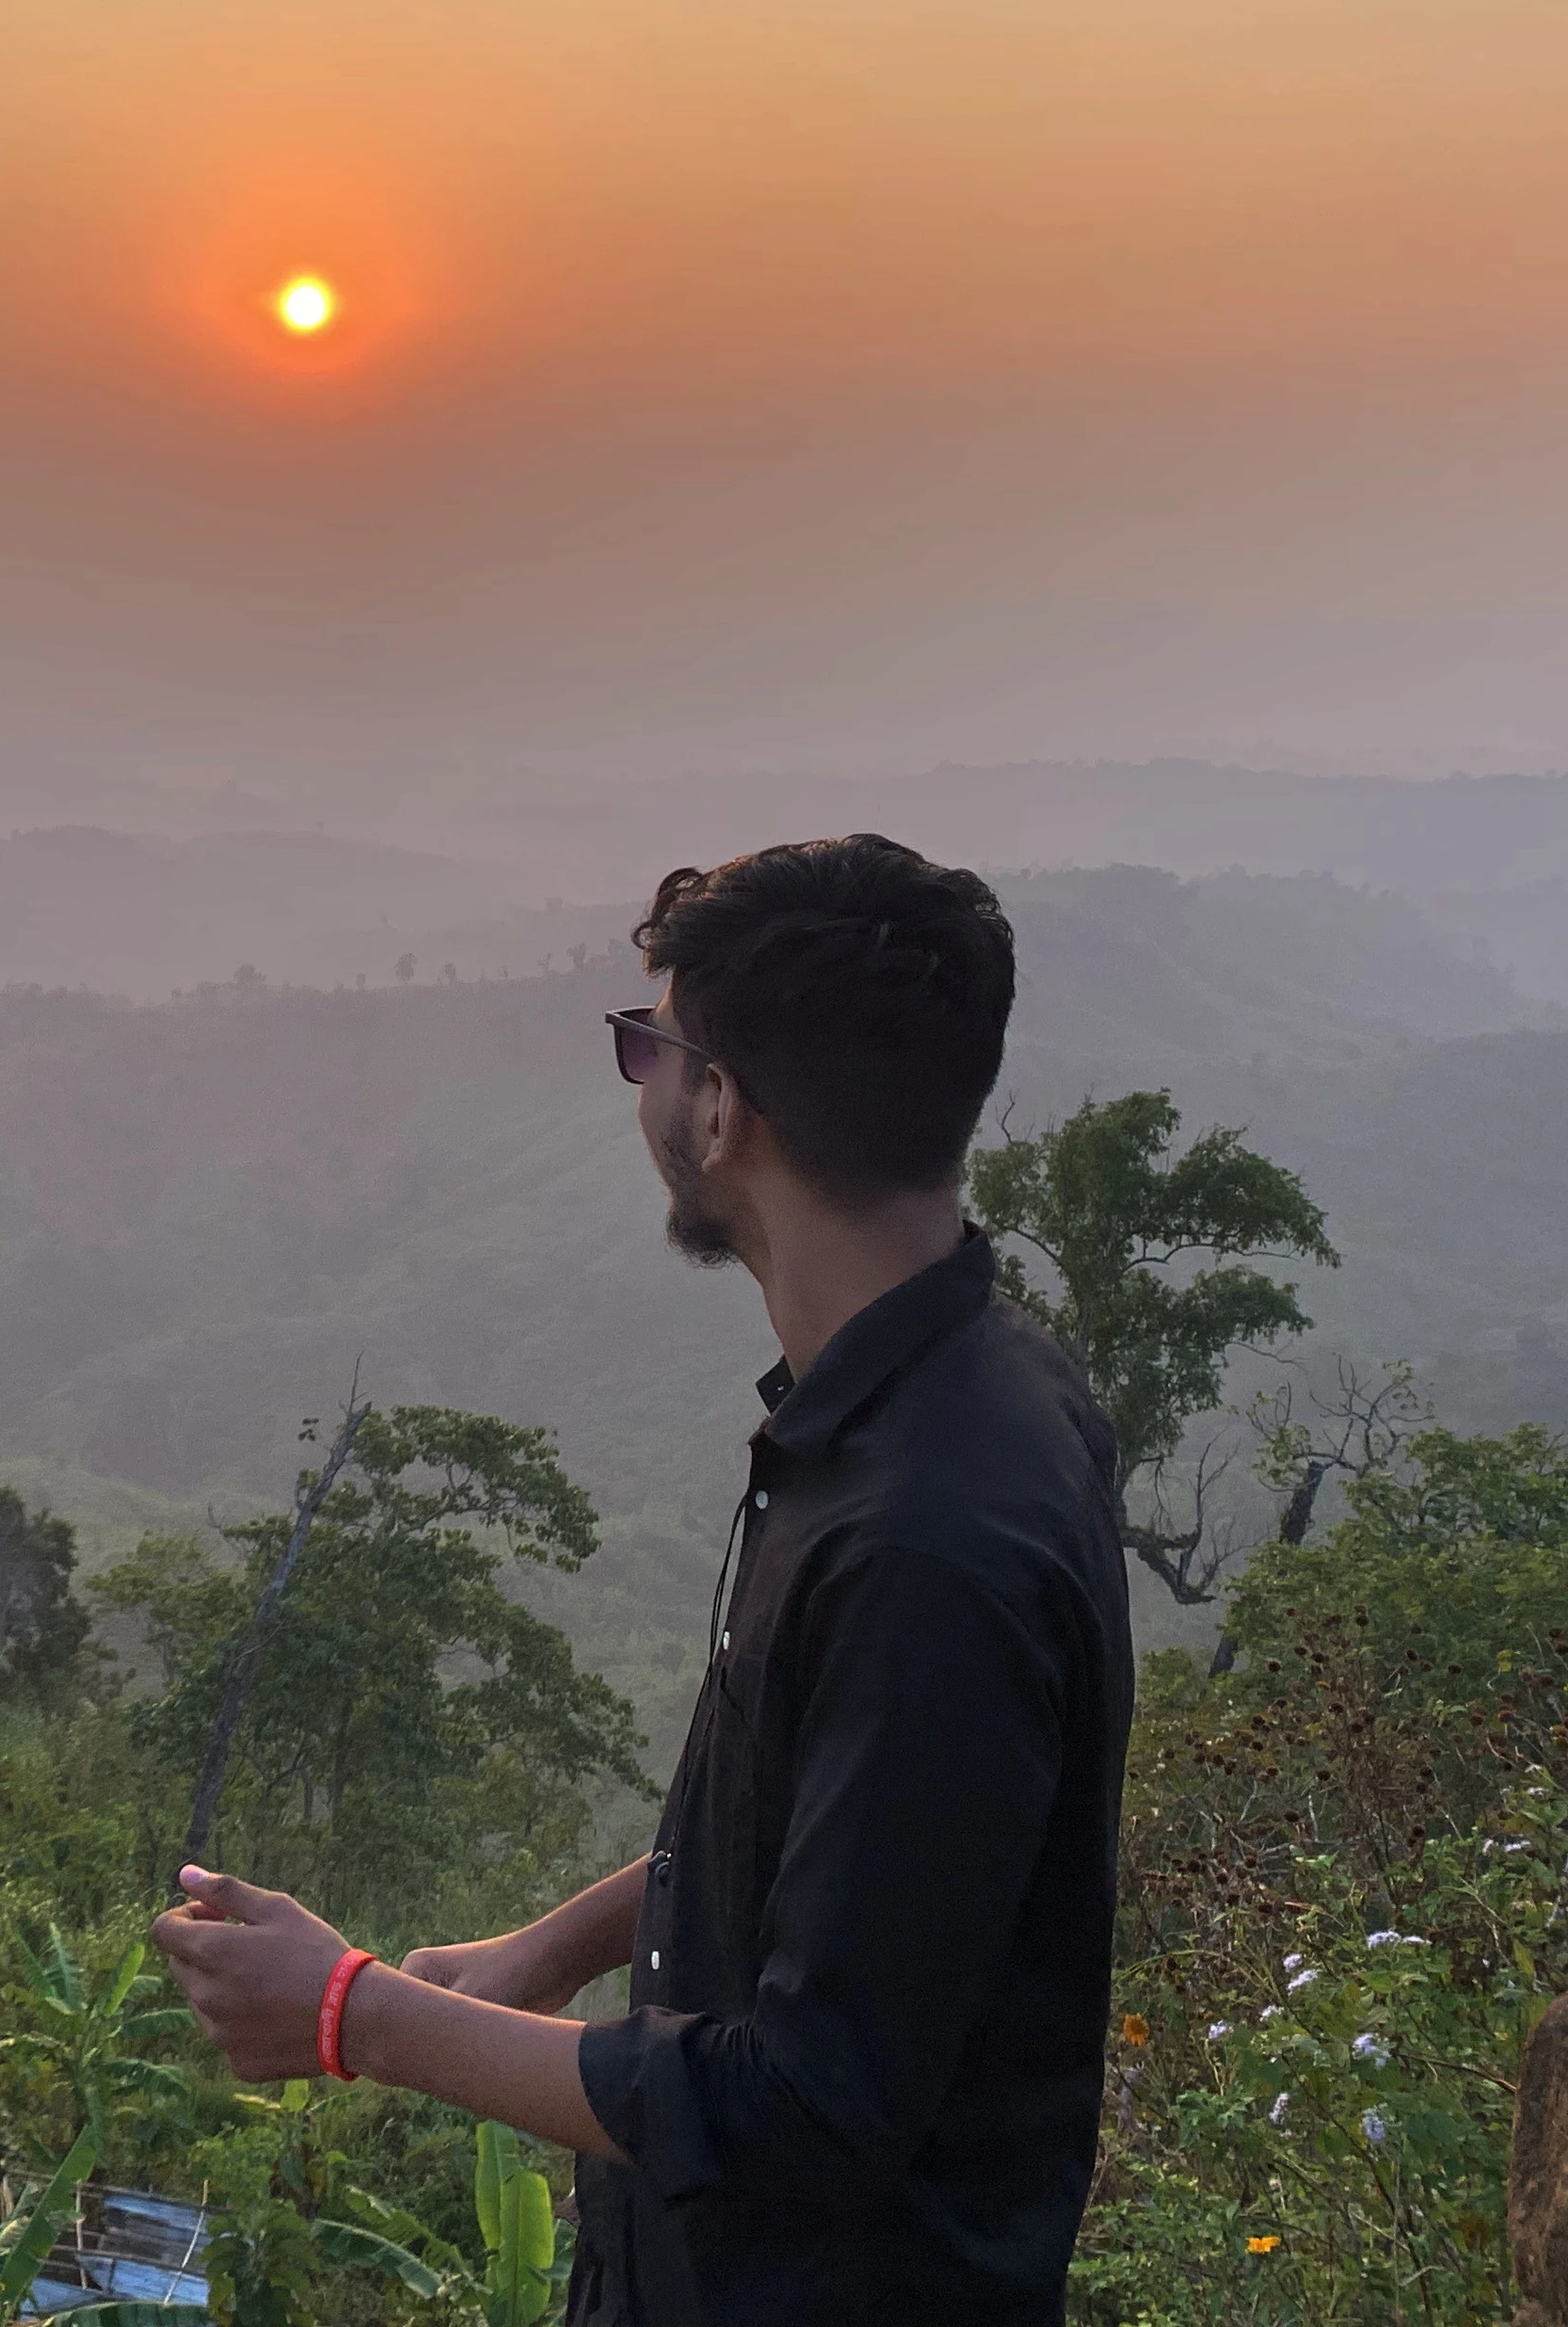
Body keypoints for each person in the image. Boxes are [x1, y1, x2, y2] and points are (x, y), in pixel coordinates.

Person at [152, 834, 1134, 2324]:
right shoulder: (959, 1398)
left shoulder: (927, 1540)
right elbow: (826, 1822)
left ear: (722, 1105)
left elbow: (812, 2108)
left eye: (647, 1045)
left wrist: (355, 2015)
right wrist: (548, 1949)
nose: (645, 1085)